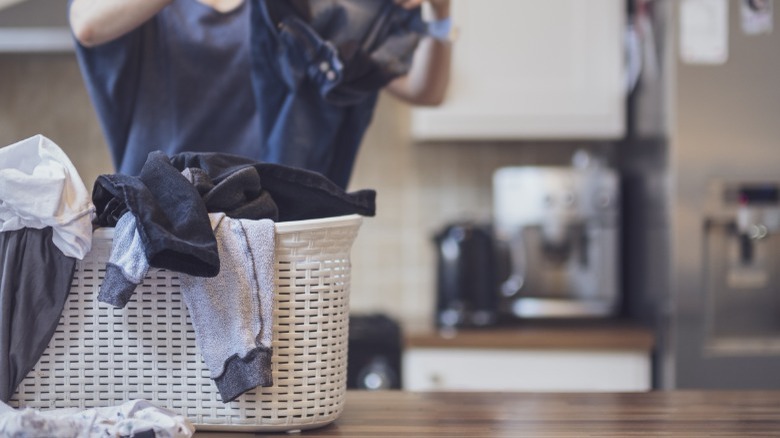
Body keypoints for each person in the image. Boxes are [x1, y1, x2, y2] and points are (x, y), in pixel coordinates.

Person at [68, 0, 452, 189]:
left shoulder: (297, 11)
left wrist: (440, 12)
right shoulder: (144, 11)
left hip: (281, 244)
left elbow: (424, 90)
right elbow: (87, 23)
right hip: (164, 238)